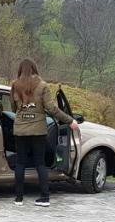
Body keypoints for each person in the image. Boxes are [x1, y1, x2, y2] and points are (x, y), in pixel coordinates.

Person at [10, 59, 78, 207]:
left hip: (20, 129)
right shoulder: (42, 86)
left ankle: (19, 198)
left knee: (20, 163)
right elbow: (52, 109)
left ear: (21, 70)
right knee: (40, 163)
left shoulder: (15, 85)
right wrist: (69, 120)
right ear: (35, 68)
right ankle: (44, 197)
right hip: (38, 130)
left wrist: (24, 110)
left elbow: (13, 108)